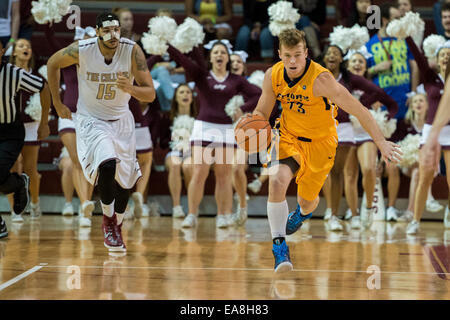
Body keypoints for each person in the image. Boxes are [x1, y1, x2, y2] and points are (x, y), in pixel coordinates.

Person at [252, 28, 401, 272]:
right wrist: (254, 123)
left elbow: (360, 110)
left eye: (297, 55)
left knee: (308, 202)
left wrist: (381, 142)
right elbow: (262, 110)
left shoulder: (321, 80)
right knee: (277, 180)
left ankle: (302, 213)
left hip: (321, 145)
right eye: (287, 55)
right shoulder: (273, 75)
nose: (292, 61)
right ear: (279, 53)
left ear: (306, 53)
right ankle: (279, 246)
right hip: (288, 137)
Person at [47, 12, 156, 252]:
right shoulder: (82, 49)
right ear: (97, 31)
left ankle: (117, 222)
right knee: (107, 164)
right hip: (92, 120)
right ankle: (107, 221)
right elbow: (53, 62)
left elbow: (150, 93)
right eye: (107, 30)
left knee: (126, 183)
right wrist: (57, 102)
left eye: (116, 29)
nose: (113, 34)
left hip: (121, 120)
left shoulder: (132, 51)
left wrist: (131, 89)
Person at [166, 40, 261, 229]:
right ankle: (192, 214)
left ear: (228, 58)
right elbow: (183, 60)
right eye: (216, 52)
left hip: (226, 131)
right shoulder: (202, 75)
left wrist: (242, 109)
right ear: (210, 57)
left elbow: (258, 94)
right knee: (199, 173)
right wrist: (167, 45)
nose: (219, 55)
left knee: (224, 176)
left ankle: (223, 215)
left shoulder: (237, 80)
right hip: (204, 128)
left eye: (223, 53)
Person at [321, 44, 398, 230]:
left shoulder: (354, 80)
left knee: (368, 169)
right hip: (337, 129)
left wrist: (382, 115)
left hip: (360, 132)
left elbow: (386, 98)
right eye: (354, 61)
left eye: (360, 61)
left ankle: (369, 208)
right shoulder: (319, 76)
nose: (357, 64)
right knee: (346, 174)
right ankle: (352, 214)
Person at [0, 40, 56, 239]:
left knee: (15, 170)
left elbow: (44, 88)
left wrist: (44, 122)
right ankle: (15, 200)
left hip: (16, 129)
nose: (25, 49)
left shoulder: (17, 74)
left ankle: (28, 198)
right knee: (5, 171)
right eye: (20, 46)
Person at [45, 24, 96, 227]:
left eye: (88, 39)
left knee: (89, 164)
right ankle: (85, 205)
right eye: (81, 38)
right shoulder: (65, 59)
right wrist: (48, 19)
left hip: (90, 116)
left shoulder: (97, 62)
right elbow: (50, 38)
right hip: (67, 114)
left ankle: (85, 210)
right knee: (76, 161)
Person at [405, 37, 450, 234]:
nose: (446, 58)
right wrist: (408, 36)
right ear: (437, 59)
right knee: (425, 177)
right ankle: (415, 219)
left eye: (449, 55)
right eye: (443, 55)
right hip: (430, 132)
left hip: (449, 132)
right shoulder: (430, 77)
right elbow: (418, 57)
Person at [6, 38, 44, 221]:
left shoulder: (37, 76)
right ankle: (15, 209)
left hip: (30, 126)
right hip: (11, 125)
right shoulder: (7, 73)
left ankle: (35, 203)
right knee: (13, 167)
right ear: (13, 52)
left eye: (28, 46)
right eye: (21, 46)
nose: (25, 48)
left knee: (31, 169)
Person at [366, 3, 419, 120]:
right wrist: (376, 68)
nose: (399, 22)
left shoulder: (404, 39)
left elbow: (414, 66)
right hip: (382, 103)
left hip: (405, 100)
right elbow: (364, 75)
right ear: (384, 20)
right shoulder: (369, 45)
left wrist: (414, 93)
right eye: (396, 18)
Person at [164, 84, 197, 218]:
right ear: (176, 98)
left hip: (193, 153)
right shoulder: (168, 118)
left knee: (188, 166)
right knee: (175, 164)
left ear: (192, 97)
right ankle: (176, 207)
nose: (185, 95)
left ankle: (192, 207)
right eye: (181, 92)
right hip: (174, 152)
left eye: (188, 92)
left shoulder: (199, 118)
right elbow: (162, 141)